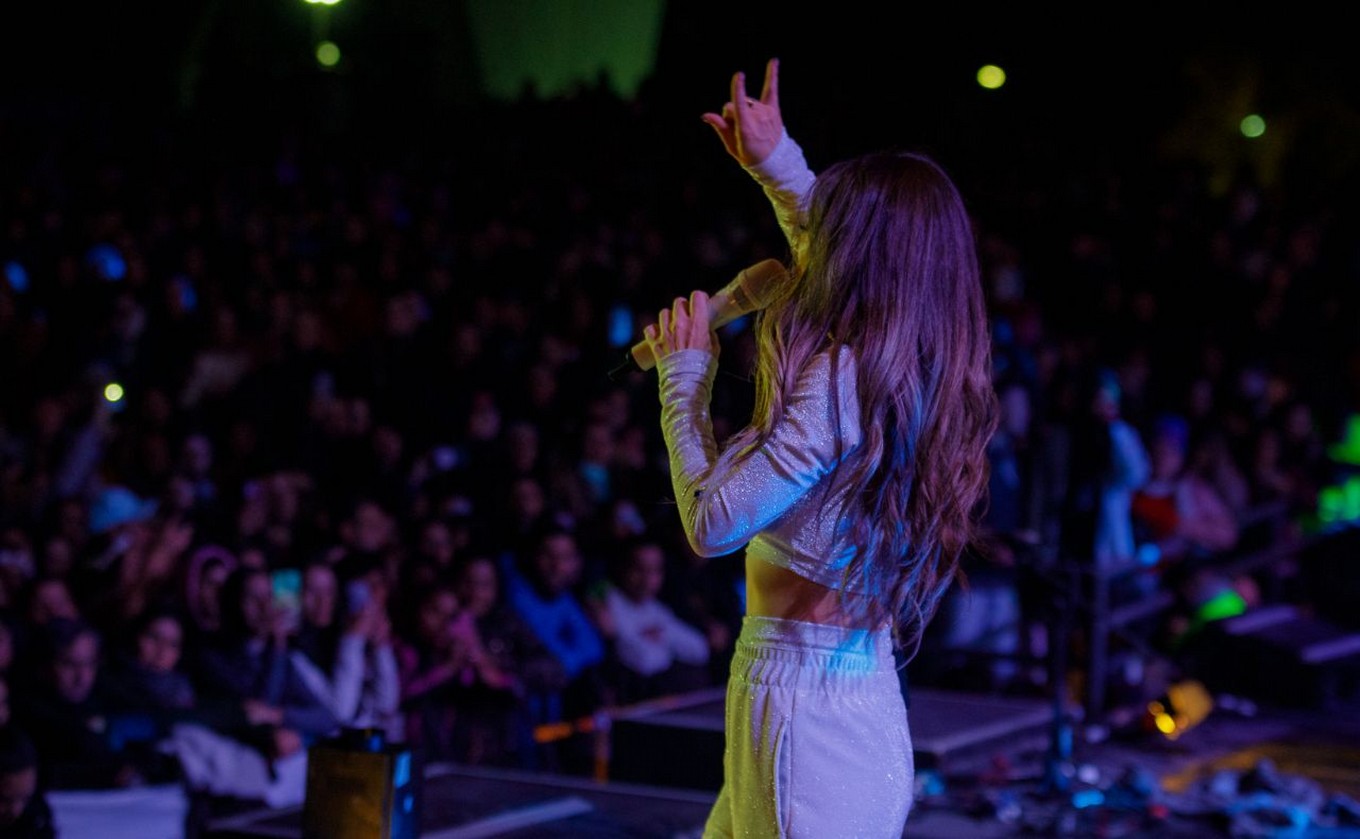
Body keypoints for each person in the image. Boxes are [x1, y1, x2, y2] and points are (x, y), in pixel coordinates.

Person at [640, 59, 996, 836]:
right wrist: (779, 167)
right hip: (834, 687)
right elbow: (848, 257)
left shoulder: (842, 378)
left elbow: (713, 522)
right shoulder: (915, 351)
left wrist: (686, 380)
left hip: (805, 713)